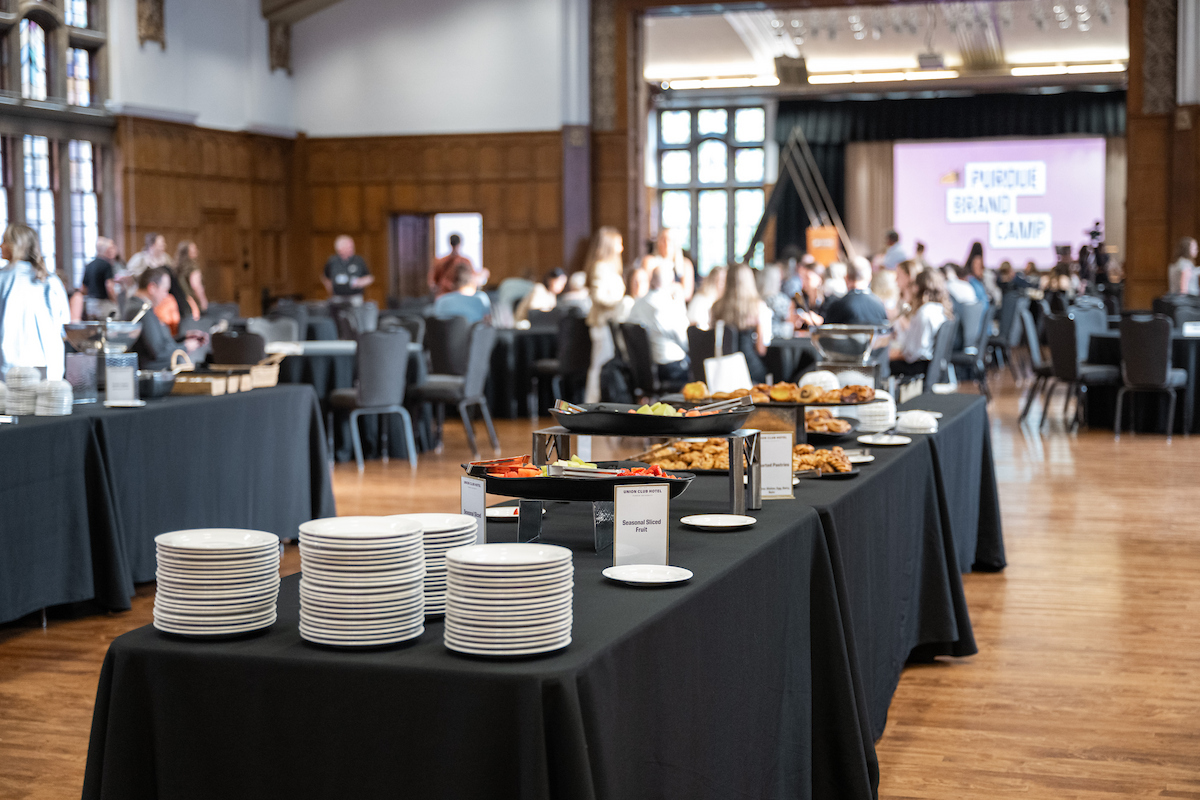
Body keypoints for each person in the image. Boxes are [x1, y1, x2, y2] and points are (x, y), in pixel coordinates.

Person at [0, 223, 70, 380]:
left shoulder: (4, 279)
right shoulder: (51, 280)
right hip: (48, 362)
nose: (1, 246)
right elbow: (63, 323)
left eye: (4, 241)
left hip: (8, 363)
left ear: (15, 245)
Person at [122, 267, 209, 370]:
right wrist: (186, 347)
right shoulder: (139, 310)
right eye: (165, 290)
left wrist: (183, 338)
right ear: (152, 288)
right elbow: (158, 353)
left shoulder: (143, 307)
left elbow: (158, 343)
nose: (166, 296)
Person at [627, 259, 691, 390]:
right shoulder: (667, 306)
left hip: (642, 371)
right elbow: (685, 341)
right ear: (671, 282)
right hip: (670, 369)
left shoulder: (637, 305)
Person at [583, 227, 627, 403]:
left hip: (611, 324)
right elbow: (599, 296)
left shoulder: (610, 267)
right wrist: (620, 302)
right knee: (599, 366)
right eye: (619, 243)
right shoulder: (600, 267)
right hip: (602, 324)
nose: (622, 248)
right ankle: (591, 404)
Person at [711, 261, 773, 382]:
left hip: (725, 371)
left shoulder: (717, 307)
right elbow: (761, 349)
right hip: (750, 369)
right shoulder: (758, 307)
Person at [889, 268, 951, 377]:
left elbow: (914, 352)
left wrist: (895, 355)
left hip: (919, 365)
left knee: (884, 362)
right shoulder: (939, 310)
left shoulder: (924, 313)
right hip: (932, 366)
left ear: (916, 288)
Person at [823, 257, 889, 326]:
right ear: (870, 278)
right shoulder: (880, 306)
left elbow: (825, 333)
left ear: (846, 278)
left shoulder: (837, 307)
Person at [322, 235, 373, 303]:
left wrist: (360, 282)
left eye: (352, 246)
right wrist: (331, 289)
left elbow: (369, 277)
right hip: (337, 297)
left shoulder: (359, 261)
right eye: (349, 247)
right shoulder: (332, 261)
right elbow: (325, 277)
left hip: (355, 297)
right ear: (340, 249)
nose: (352, 249)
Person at [652, 227, 695, 302]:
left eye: (669, 240)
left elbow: (687, 294)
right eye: (663, 240)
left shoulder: (685, 265)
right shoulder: (651, 262)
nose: (666, 243)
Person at [82, 237, 120, 319]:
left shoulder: (89, 265)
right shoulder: (106, 265)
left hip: (90, 304)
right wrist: (115, 300)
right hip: (103, 304)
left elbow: (83, 287)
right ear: (106, 251)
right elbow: (109, 286)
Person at [758, 264, 793, 340]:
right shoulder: (781, 300)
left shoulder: (756, 300)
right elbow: (789, 319)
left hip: (760, 337)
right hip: (779, 339)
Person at [175, 240, 208, 319]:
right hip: (193, 303)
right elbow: (196, 286)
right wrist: (203, 301)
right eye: (194, 249)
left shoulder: (177, 267)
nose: (197, 251)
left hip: (180, 302)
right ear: (187, 252)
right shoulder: (193, 267)